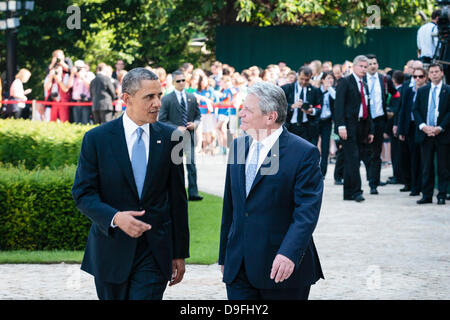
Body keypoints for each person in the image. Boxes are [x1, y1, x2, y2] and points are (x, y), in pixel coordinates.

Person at [71, 68, 189, 300]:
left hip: (154, 252)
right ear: (126, 99)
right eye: (149, 97)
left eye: (159, 95)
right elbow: (83, 194)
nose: (157, 103)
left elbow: (178, 198)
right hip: (110, 251)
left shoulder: (173, 138)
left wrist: (179, 252)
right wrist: (115, 218)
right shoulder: (96, 139)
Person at [218, 81, 324, 300]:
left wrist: (289, 254)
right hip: (239, 267)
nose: (241, 113)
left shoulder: (304, 153)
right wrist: (225, 256)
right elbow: (231, 206)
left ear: (270, 117)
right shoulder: (238, 146)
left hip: (282, 268)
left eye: (248, 109)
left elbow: (306, 213)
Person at [334, 55, 374, 202]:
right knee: (353, 158)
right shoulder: (345, 81)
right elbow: (338, 106)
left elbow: (367, 108)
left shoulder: (365, 84)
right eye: (361, 66)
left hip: (362, 127)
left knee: (353, 160)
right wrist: (341, 126)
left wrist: (370, 130)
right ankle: (357, 191)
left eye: (366, 67)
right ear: (354, 66)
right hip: (348, 126)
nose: (364, 69)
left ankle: (348, 192)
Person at [159, 69, 203, 201]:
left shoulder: (191, 97)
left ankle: (193, 193)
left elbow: (198, 115)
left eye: (184, 80)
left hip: (189, 135)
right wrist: (176, 127)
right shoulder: (167, 99)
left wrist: (195, 124)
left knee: (191, 164)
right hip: (174, 137)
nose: (182, 83)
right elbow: (162, 119)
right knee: (176, 166)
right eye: (179, 81)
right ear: (173, 82)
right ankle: (177, 193)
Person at [412, 63, 449, 205]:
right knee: (426, 166)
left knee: (443, 167)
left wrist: (440, 127)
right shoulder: (423, 91)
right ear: (429, 75)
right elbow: (416, 110)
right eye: (431, 72)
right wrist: (423, 126)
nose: (434, 74)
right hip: (425, 134)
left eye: (436, 72)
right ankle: (426, 195)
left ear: (442, 73)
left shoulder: (448, 90)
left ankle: (442, 194)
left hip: (442, 134)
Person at [364, 54, 397, 195]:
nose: (372, 66)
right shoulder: (361, 79)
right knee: (365, 152)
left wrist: (392, 110)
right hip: (364, 121)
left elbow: (396, 95)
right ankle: (369, 176)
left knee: (376, 152)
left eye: (375, 63)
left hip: (379, 120)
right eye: (369, 63)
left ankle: (373, 183)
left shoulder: (384, 79)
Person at [398, 67, 428, 197]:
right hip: (411, 127)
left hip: (426, 127)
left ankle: (425, 186)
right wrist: (401, 130)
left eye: (420, 76)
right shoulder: (409, 91)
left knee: (425, 159)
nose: (417, 79)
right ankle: (415, 186)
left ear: (425, 77)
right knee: (413, 158)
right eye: (415, 77)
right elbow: (403, 110)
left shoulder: (428, 90)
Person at [282, 66, 322, 146]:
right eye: (302, 79)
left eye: (307, 80)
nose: (304, 82)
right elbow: (279, 106)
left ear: (311, 77)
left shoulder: (315, 90)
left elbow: (319, 107)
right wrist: (292, 106)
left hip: (307, 127)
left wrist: (311, 111)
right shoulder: (287, 88)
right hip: (290, 126)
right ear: (297, 76)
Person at [318, 71, 336, 178]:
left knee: (325, 147)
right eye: (328, 78)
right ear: (322, 80)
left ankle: (322, 172)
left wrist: (329, 88)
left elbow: (336, 98)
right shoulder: (316, 90)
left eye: (332, 78)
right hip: (316, 121)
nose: (330, 80)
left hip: (327, 121)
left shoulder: (333, 91)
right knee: (314, 145)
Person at [68, 60, 95, 124]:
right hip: (76, 102)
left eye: (79, 67)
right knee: (76, 122)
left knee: (85, 122)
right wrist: (72, 74)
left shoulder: (89, 74)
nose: (78, 69)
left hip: (85, 102)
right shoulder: (74, 76)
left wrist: (82, 77)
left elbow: (91, 87)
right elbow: (69, 86)